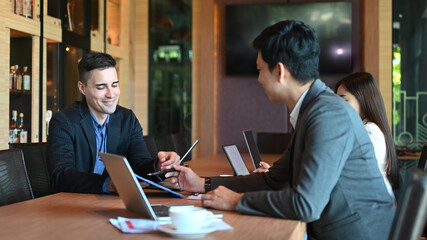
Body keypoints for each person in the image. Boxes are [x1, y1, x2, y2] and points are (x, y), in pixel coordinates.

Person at [166, 20, 395, 239]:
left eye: (259, 70)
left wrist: (236, 201)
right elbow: (273, 180)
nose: (258, 79)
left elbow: (306, 205)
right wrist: (202, 184)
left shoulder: (328, 115)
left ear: (280, 71)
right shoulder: (313, 109)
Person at [47, 52, 180, 194]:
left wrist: (159, 165)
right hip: (70, 204)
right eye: (101, 87)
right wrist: (108, 184)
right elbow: (60, 176)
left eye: (114, 85)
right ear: (82, 88)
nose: (111, 94)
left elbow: (139, 164)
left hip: (110, 203)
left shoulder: (127, 119)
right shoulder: (64, 121)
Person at [335, 72, 399, 197]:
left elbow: (352, 173)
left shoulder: (370, 131)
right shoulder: (362, 129)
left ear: (363, 100)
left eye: (343, 100)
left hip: (371, 203)